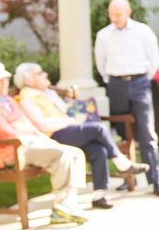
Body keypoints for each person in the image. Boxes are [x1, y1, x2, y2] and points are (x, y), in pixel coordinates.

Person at [0, 61, 90, 225]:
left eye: (5, 78)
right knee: (61, 154)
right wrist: (26, 131)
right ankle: (61, 205)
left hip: (27, 144)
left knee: (75, 153)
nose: (4, 82)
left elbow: (24, 123)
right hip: (9, 151)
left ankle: (68, 202)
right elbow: (4, 132)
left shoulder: (7, 101)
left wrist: (31, 132)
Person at [12, 62, 135, 210]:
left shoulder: (47, 93)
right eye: (40, 73)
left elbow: (65, 108)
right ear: (29, 80)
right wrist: (67, 121)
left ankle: (99, 196)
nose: (45, 74)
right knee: (99, 128)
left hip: (68, 130)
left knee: (98, 149)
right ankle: (121, 163)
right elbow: (42, 125)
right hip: (54, 136)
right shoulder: (26, 98)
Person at [93, 0, 159, 196]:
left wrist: (142, 78)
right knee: (124, 134)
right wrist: (111, 80)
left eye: (117, 13)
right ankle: (129, 178)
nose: (114, 17)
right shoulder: (103, 35)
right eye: (111, 13)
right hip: (116, 85)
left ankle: (156, 179)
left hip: (140, 83)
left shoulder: (142, 31)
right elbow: (100, 62)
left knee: (147, 133)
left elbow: (154, 58)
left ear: (128, 12)